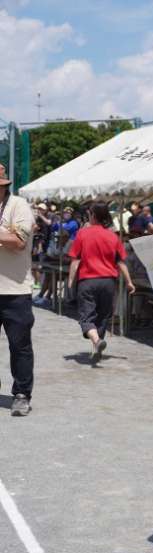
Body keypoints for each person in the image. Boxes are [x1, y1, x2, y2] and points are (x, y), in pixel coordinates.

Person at [68, 202, 135, 363]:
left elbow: (75, 260)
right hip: (108, 282)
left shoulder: (83, 234)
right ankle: (97, 347)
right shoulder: (113, 236)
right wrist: (129, 282)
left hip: (88, 281)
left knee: (86, 317)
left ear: (93, 215)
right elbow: (121, 262)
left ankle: (97, 341)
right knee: (103, 317)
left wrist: (70, 281)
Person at [0, 165, 35, 416]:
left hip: (15, 290)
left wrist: (6, 235)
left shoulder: (18, 206)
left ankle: (22, 394)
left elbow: (19, 242)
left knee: (19, 345)